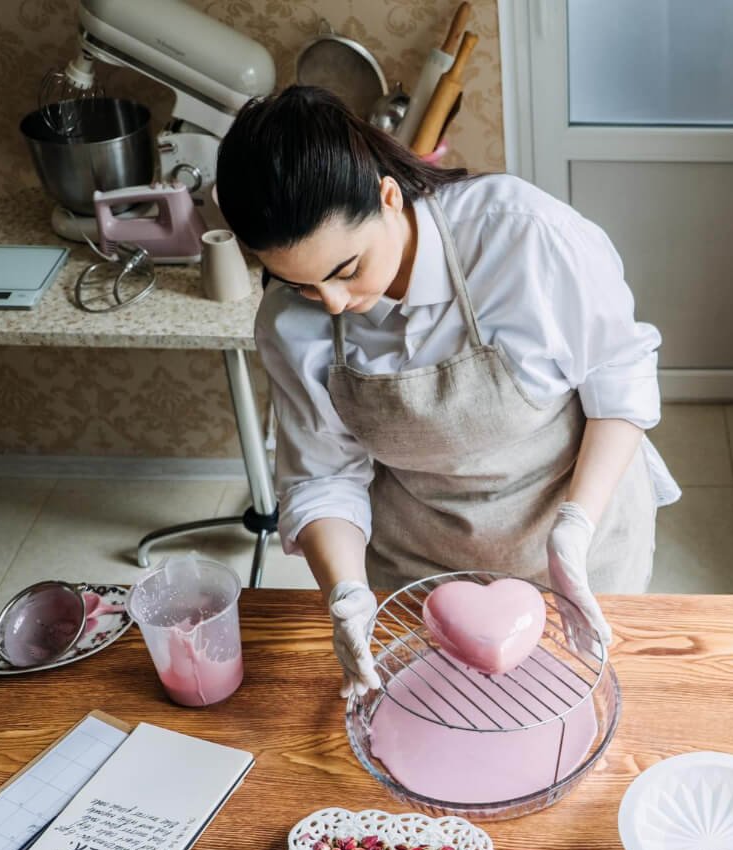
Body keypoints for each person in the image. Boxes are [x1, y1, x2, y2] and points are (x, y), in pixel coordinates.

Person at [215, 87, 678, 697]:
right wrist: (347, 592)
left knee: (576, 707)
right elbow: (324, 476)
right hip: (420, 563)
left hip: (578, 533)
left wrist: (575, 526)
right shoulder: (289, 323)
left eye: (345, 270)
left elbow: (618, 376)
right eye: (299, 285)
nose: (331, 303)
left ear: (387, 197)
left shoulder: (521, 236)